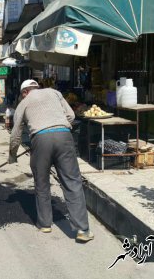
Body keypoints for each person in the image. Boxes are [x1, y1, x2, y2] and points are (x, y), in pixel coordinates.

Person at [8, 79, 93, 242]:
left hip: (40, 139)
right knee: (72, 182)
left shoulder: (24, 103)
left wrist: (12, 155)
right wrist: (57, 128)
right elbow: (71, 115)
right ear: (36, 88)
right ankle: (83, 229)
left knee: (41, 182)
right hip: (64, 136)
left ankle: (45, 224)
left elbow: (16, 133)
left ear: (25, 92)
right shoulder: (55, 93)